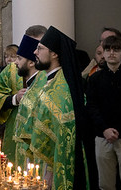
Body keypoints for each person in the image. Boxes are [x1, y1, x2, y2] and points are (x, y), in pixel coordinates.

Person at [28, 26, 90, 190]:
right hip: (46, 163)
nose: (35, 52)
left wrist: (50, 170)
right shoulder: (52, 82)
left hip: (56, 165)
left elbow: (60, 137)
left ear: (54, 54)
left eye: (40, 48)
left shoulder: (60, 89)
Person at [86, 35, 121, 190]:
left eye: (116, 49)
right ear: (103, 53)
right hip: (102, 136)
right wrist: (105, 129)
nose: (112, 53)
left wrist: (116, 129)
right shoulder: (95, 79)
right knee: (105, 185)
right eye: (108, 49)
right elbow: (91, 107)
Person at [0, 27, 45, 161]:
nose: (35, 50)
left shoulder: (49, 71)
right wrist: (14, 99)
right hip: (15, 131)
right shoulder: (13, 69)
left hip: (40, 133)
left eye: (39, 46)